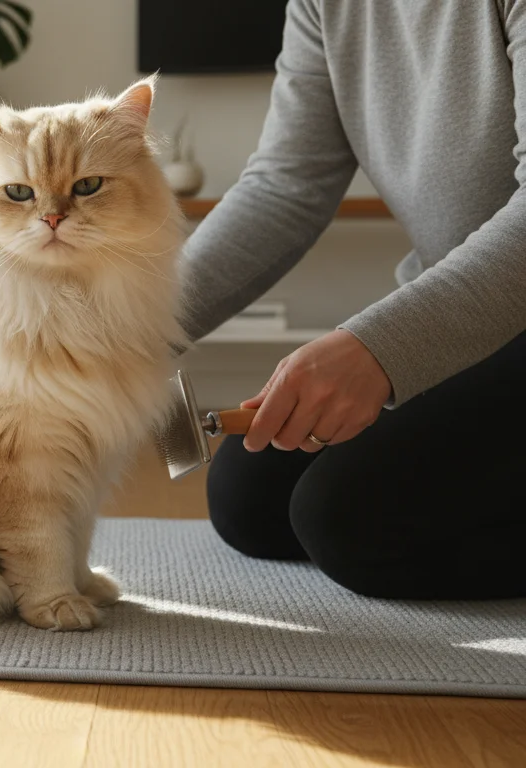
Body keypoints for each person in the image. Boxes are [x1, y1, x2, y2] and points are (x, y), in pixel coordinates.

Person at [178, 0, 526, 600]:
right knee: (248, 498)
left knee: (348, 522)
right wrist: (137, 325)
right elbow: (286, 185)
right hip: (474, 326)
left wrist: (381, 350)